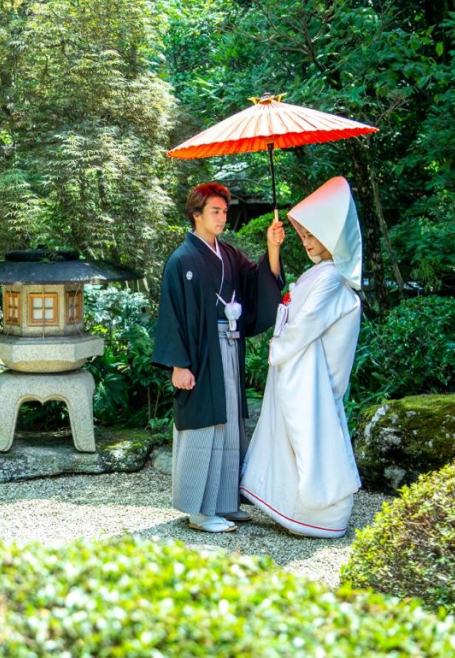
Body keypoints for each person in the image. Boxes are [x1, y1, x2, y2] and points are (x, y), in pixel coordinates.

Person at [152, 182, 285, 533]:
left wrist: (272, 248)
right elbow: (173, 314)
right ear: (196, 214)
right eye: (215, 211)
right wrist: (179, 365)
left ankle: (225, 502)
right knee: (202, 424)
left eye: (225, 211)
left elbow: (256, 281)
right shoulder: (182, 260)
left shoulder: (227, 254)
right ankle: (198, 510)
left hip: (228, 345)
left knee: (228, 423)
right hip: (199, 352)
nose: (222, 217)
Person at [240, 175, 363, 538]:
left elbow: (306, 323)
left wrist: (277, 348)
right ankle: (295, 507)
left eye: (313, 235)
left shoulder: (331, 279)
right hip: (304, 366)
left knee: (311, 433)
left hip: (312, 371)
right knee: (302, 435)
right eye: (304, 236)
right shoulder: (325, 273)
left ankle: (318, 512)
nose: (307, 242)